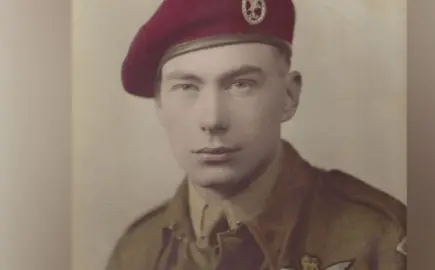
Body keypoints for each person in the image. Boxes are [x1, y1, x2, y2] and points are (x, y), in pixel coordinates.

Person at [106, 0, 407, 269]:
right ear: (160, 105)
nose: (212, 120)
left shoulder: (382, 239)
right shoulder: (137, 253)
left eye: (241, 84)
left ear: (288, 97)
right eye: (187, 87)